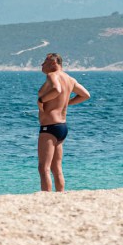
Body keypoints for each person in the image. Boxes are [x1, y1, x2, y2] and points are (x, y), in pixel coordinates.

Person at [37, 53, 90, 192]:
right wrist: (67, 102)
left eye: (45, 61)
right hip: (61, 127)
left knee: (44, 168)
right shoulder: (70, 79)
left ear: (53, 63)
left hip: (49, 127)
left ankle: (46, 197)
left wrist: (41, 100)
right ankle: (60, 195)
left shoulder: (52, 75)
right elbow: (85, 95)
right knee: (56, 168)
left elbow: (57, 89)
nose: (42, 64)